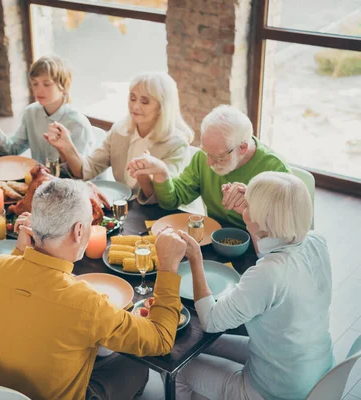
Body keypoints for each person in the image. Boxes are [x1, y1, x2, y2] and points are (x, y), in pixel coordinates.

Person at [0, 179, 186, 400]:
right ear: (78, 231)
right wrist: (168, 267)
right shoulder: (88, 304)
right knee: (135, 365)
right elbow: (161, 340)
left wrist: (21, 252)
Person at [173, 172, 333, 400]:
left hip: (275, 391)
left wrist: (195, 259)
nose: (243, 205)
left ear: (263, 218)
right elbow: (271, 254)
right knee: (196, 346)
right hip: (317, 374)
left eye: (248, 205)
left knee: (178, 369)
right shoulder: (317, 242)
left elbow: (210, 321)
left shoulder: (268, 274)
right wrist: (251, 218)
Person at [126, 104, 290, 228]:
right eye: (206, 152)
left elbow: (286, 231)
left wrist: (252, 205)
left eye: (218, 157)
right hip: (214, 239)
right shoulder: (202, 159)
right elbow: (172, 201)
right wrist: (161, 172)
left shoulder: (275, 170)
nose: (209, 163)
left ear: (242, 148)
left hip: (257, 251)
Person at [45, 71, 193, 203]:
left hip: (154, 217)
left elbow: (163, 200)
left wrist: (143, 175)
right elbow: (86, 171)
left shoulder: (177, 144)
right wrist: (67, 147)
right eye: (132, 98)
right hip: (120, 207)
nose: (135, 106)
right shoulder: (119, 131)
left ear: (162, 107)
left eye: (145, 101)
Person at [0, 55, 94, 164]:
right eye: (35, 84)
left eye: (46, 84)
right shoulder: (31, 113)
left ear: (64, 87)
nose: (38, 90)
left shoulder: (77, 124)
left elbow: (80, 174)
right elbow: (13, 150)